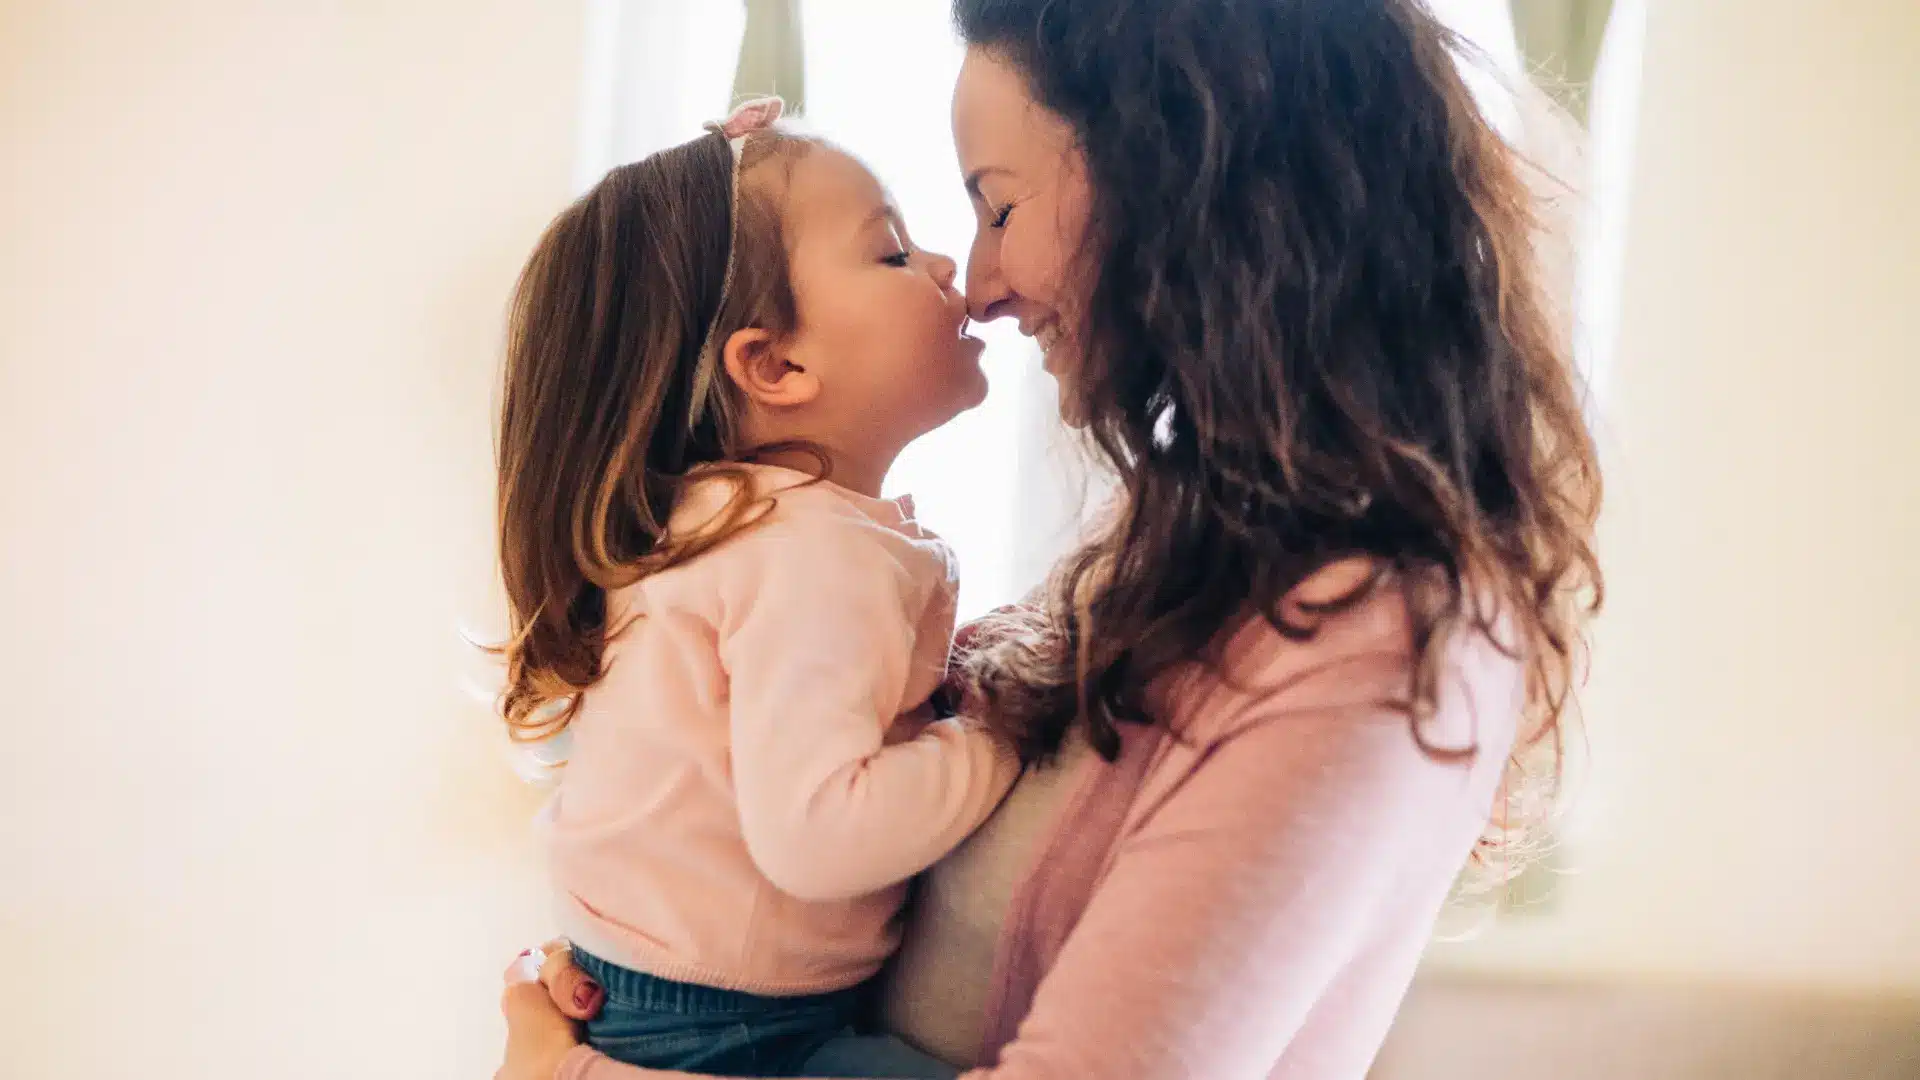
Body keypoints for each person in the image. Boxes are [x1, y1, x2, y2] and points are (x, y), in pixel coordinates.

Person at [497, 1, 1603, 1077]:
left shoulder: (1361, 643)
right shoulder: (1167, 557)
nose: (974, 286)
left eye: (998, 209)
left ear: (1180, 191)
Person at [492, 95, 1020, 1077]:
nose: (950, 267)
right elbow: (822, 835)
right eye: (894, 255)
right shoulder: (805, 550)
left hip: (667, 995)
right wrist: (1003, 735)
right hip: (728, 1033)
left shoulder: (737, 524)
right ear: (774, 363)